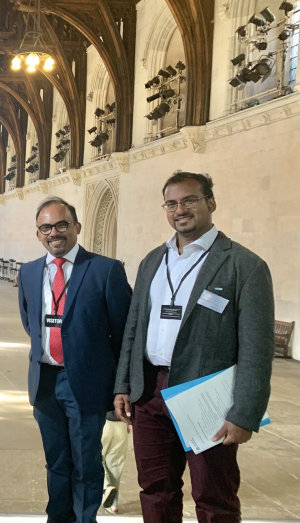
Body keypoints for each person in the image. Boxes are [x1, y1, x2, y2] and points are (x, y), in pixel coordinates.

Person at [114, 171, 275, 522]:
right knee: (155, 489)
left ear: (210, 203)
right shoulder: (152, 261)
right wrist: (124, 385)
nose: (180, 209)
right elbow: (133, 329)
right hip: (150, 391)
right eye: (171, 203)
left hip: (206, 395)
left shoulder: (243, 266)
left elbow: (257, 350)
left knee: (214, 495)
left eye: (189, 200)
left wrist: (244, 412)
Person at [17, 196, 132, 523]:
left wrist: (120, 385)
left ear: (77, 227)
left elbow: (123, 333)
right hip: (45, 383)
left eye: (62, 224)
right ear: (38, 234)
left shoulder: (106, 270)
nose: (55, 232)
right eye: (46, 227)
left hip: (85, 382)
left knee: (86, 462)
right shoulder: (28, 273)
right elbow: (31, 324)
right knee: (56, 461)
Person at [101, 413, 129, 514]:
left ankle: (106, 487)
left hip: (103, 422)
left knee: (96, 459)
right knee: (115, 465)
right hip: (121, 423)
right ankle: (113, 506)